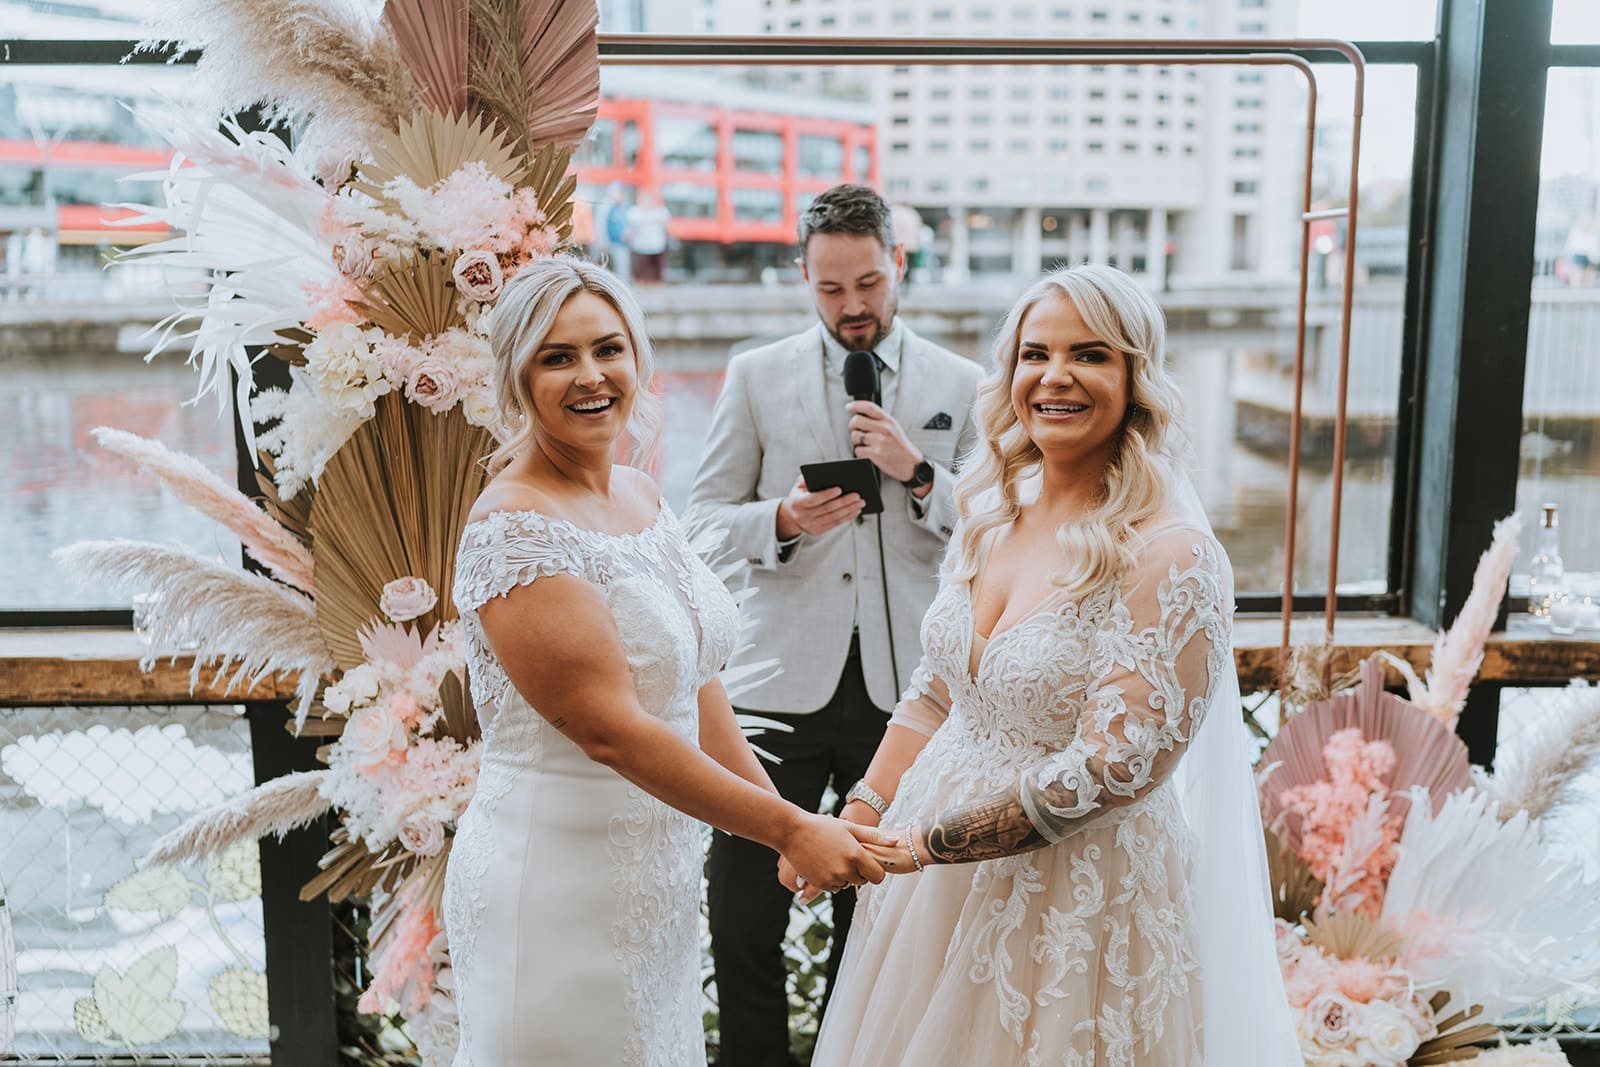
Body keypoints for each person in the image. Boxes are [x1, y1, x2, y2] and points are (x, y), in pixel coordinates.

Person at [801, 265, 1303, 1065]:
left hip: (1076, 900)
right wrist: (863, 809)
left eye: (1089, 354)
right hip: (928, 887)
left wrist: (924, 844)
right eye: (1036, 353)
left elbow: (1111, 770)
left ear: (1135, 378)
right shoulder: (992, 505)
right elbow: (939, 689)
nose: (1055, 376)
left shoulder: (1171, 553)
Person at [442, 257, 896, 1065]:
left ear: (637, 357)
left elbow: (696, 682)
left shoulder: (640, 494)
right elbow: (611, 730)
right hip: (553, 882)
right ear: (517, 378)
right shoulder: (514, 528)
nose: (591, 375)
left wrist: (781, 833)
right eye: (557, 357)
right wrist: (793, 824)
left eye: (607, 348)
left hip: (653, 882)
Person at [685, 184, 984, 1067]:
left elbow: (1002, 529)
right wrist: (780, 519)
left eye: (868, 283)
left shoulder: (963, 384)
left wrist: (919, 473)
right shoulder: (755, 375)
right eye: (830, 288)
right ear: (803, 278)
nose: (852, 305)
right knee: (742, 911)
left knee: (879, 919)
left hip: (907, 702)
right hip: (775, 685)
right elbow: (702, 524)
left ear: (899, 264)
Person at [626, 189, 671, 284]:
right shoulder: (633, 212)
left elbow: (666, 226)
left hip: (656, 246)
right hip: (639, 247)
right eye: (643, 199)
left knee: (656, 272)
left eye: (647, 199)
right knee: (640, 272)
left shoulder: (660, 211)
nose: (645, 202)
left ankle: (657, 287)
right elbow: (629, 229)